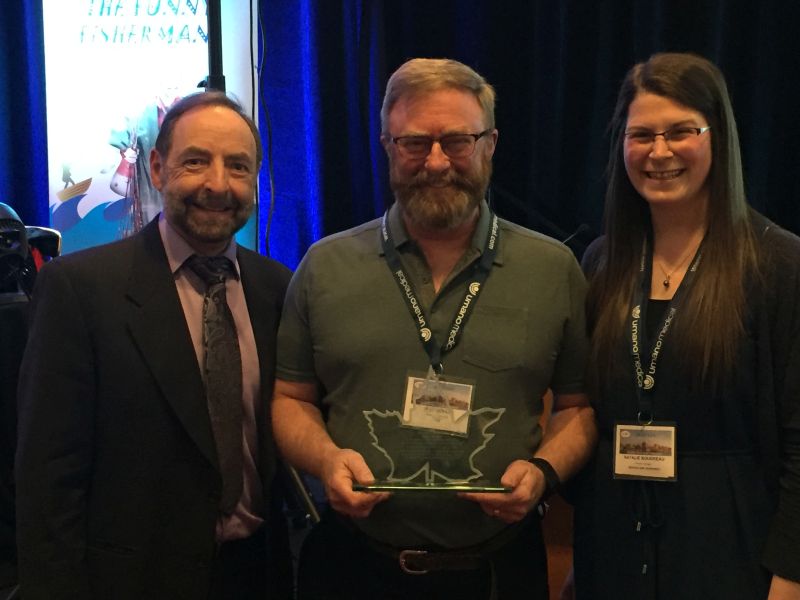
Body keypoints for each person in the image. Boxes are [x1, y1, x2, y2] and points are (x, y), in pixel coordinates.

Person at [272, 57, 597, 599]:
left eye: (458, 141)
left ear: (491, 144)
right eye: (415, 143)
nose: (438, 161)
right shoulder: (324, 267)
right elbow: (289, 399)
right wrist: (325, 460)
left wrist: (543, 472)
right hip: (353, 569)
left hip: (499, 572)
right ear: (387, 145)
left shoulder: (554, 268)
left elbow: (578, 407)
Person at [16, 91, 293, 599]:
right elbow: (47, 481)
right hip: (129, 582)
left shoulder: (279, 289)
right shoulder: (79, 289)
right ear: (159, 169)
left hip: (258, 575)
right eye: (196, 161)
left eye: (238, 167)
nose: (217, 184)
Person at [571, 52, 800, 599]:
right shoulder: (602, 262)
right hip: (616, 543)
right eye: (641, 134)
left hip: (730, 547)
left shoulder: (778, 265)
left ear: (717, 137)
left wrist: (790, 577)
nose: (659, 152)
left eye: (681, 132)